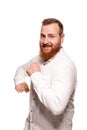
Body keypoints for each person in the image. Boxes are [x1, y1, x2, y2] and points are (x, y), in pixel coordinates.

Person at [14, 18, 77, 130]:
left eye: (51, 36)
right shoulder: (39, 59)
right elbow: (21, 69)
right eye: (43, 36)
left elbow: (57, 106)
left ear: (62, 38)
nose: (45, 41)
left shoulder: (66, 66)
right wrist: (19, 81)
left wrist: (35, 76)